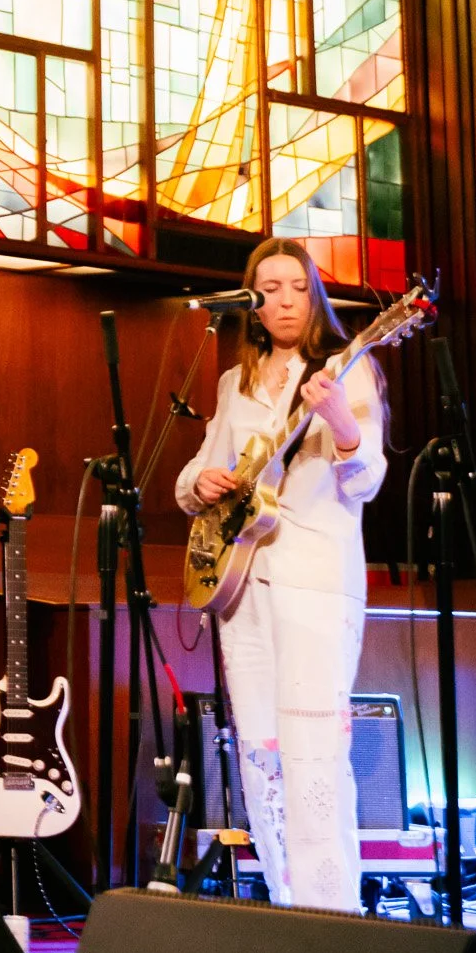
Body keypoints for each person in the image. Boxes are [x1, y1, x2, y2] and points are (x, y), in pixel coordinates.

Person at [175, 236, 386, 911]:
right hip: (241, 584)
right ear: (252, 303)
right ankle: (285, 899)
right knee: (260, 752)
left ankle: (332, 913)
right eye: (269, 290)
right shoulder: (232, 383)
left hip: (314, 582)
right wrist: (200, 481)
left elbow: (367, 480)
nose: (285, 301)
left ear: (314, 295)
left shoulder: (347, 368)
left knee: (311, 749)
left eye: (297, 287)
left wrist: (340, 425)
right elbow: (195, 475)